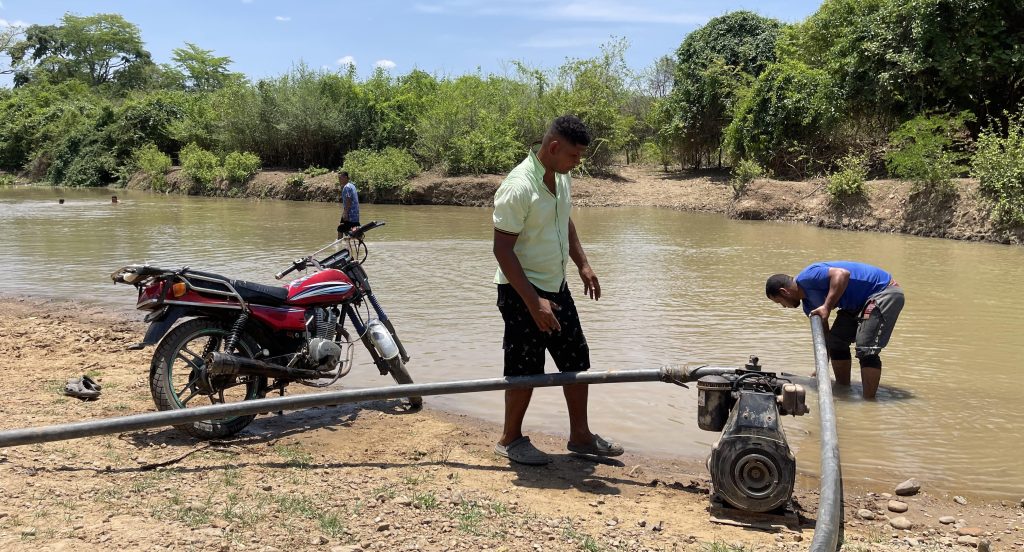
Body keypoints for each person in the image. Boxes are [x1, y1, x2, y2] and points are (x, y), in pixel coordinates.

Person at [491, 115, 623, 466]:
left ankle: (580, 437)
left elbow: (564, 220)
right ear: (553, 148)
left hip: (556, 286)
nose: (577, 163)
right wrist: (534, 303)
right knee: (525, 366)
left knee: (576, 359)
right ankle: (509, 439)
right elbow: (502, 251)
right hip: (521, 292)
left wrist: (583, 264)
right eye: (574, 156)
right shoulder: (518, 186)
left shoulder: (561, 179)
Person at [765, 261, 905, 399]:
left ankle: (869, 402)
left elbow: (842, 274)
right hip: (857, 304)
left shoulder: (807, 277)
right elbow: (824, 336)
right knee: (836, 341)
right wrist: (821, 366)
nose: (783, 306)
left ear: (784, 292)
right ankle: (843, 389)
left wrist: (826, 306)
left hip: (883, 291)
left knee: (866, 348)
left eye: (779, 302)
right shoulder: (808, 305)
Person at [337, 171, 360, 238]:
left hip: (350, 214)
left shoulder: (346, 187)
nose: (339, 180)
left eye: (340, 178)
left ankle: (339, 244)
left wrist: (346, 213)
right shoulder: (352, 185)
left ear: (345, 177)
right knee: (349, 228)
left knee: (340, 228)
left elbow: (348, 200)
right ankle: (349, 241)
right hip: (355, 214)